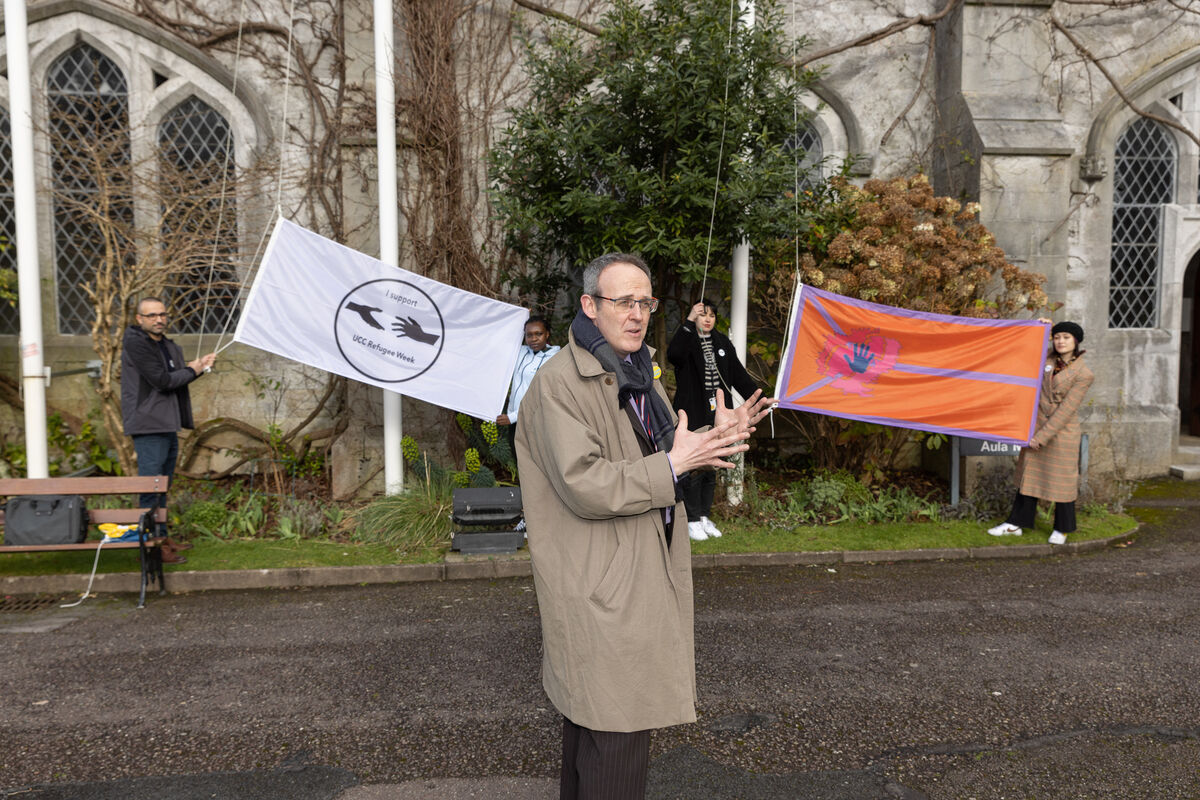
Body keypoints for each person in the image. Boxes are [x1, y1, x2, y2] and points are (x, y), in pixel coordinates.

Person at [515, 253, 776, 800]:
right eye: (622, 302)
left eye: (645, 302)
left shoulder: (635, 374)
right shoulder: (560, 384)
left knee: (598, 732)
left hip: (633, 575)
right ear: (589, 305)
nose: (636, 315)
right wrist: (678, 463)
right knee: (614, 736)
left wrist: (716, 438)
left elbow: (659, 453)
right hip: (601, 586)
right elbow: (585, 484)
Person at [121, 297, 216, 564]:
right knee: (151, 486)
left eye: (162, 314)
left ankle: (162, 537)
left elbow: (177, 378)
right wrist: (193, 368)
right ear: (139, 319)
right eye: (151, 315)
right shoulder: (137, 344)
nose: (159, 319)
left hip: (166, 423)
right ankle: (151, 545)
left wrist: (199, 368)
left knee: (163, 485)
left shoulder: (166, 345)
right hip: (148, 424)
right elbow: (162, 382)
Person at [988, 320, 1094, 545]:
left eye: (1066, 337)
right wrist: (1041, 328)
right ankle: (1015, 524)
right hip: (1035, 426)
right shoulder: (1046, 359)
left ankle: (1062, 528)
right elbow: (1028, 350)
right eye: (1056, 337)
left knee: (1062, 482)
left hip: (1061, 433)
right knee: (1029, 477)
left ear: (1076, 341)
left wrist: (1042, 437)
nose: (1060, 341)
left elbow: (1066, 410)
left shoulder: (1084, 373)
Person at [667, 299, 761, 542]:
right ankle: (691, 518)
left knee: (713, 466)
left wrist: (759, 397)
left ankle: (704, 515)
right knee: (694, 467)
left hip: (718, 413)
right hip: (692, 412)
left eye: (711, 315)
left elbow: (738, 374)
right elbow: (673, 354)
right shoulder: (687, 339)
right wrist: (688, 321)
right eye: (702, 315)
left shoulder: (721, 342)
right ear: (694, 317)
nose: (707, 319)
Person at [496, 314, 560, 449]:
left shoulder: (555, 359)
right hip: (515, 422)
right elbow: (501, 338)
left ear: (547, 334)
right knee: (518, 459)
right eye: (529, 335)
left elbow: (542, 396)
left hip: (537, 421)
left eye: (539, 334)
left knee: (534, 463)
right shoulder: (520, 352)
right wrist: (518, 316)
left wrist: (512, 417)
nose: (534, 339)